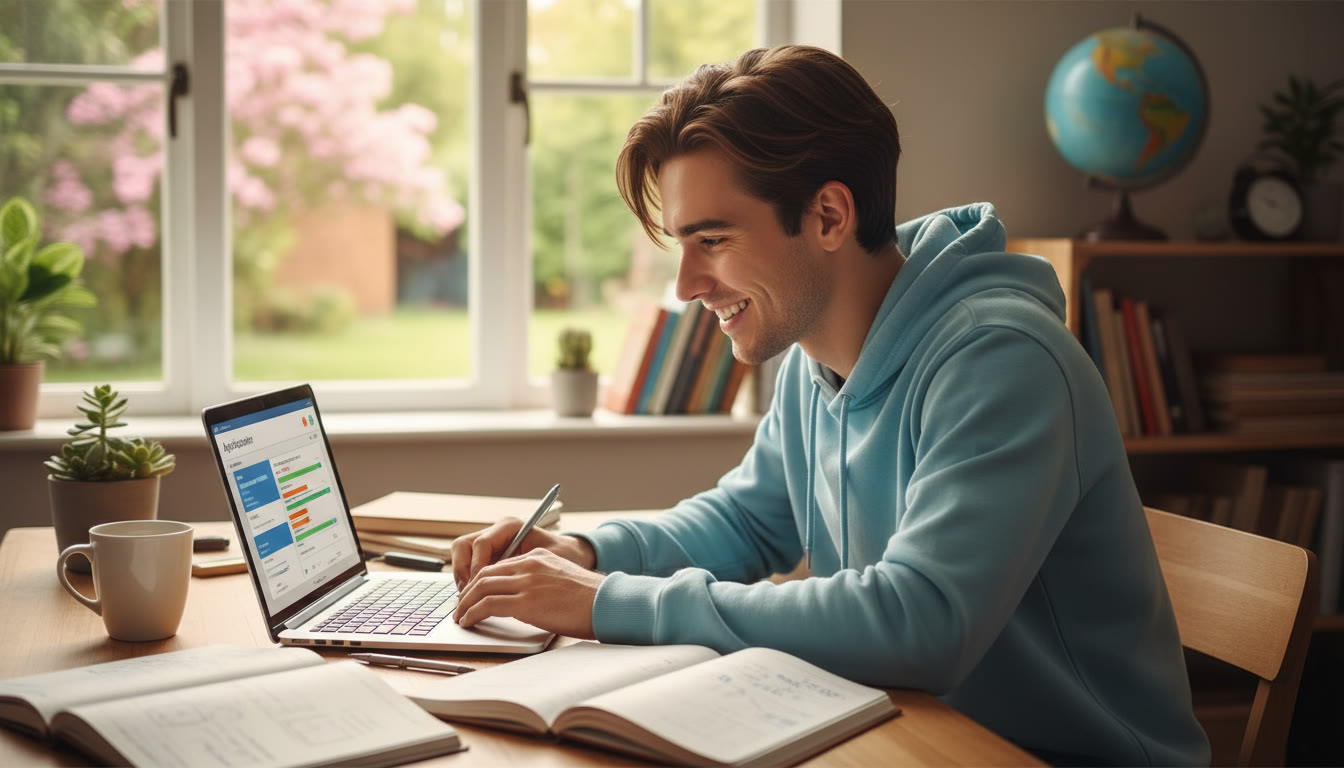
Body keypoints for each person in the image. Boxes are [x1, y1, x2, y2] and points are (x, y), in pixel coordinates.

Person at [451, 44, 1209, 766]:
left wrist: (608, 603)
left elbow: (923, 622)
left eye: (710, 239)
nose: (684, 285)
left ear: (829, 216)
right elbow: (747, 520)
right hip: (908, 733)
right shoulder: (816, 358)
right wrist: (586, 555)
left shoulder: (1002, 361)